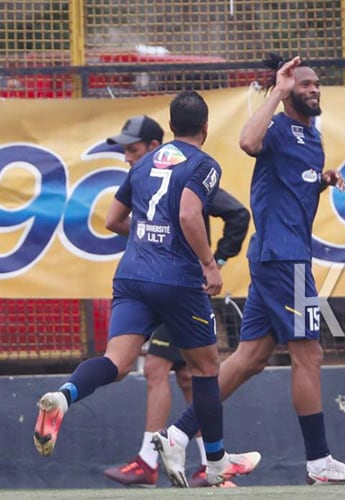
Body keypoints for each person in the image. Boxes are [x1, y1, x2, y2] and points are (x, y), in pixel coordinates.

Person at [150, 54, 345, 486]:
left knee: (249, 359)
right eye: (303, 84)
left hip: (282, 257)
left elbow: (292, 189)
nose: (312, 89)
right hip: (283, 258)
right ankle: (319, 462)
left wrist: (322, 180)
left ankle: (177, 434)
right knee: (310, 354)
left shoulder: (313, 137)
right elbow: (248, 143)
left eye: (314, 84)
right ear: (287, 90)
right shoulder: (274, 126)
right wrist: (277, 93)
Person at [33, 91, 261, 488]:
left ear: (170, 128)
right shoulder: (204, 164)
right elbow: (190, 212)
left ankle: (65, 396)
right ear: (206, 128)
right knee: (207, 368)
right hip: (177, 281)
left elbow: (113, 218)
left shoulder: (143, 165)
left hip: (132, 276)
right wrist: (209, 262)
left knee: (116, 362)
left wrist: (146, 235)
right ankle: (218, 462)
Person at [101, 115, 251, 488]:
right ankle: (210, 465)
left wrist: (214, 261)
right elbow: (117, 221)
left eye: (133, 150)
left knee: (161, 369)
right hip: (162, 280)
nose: (127, 159)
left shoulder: (185, 176)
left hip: (181, 285)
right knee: (187, 375)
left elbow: (237, 213)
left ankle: (150, 460)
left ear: (156, 147)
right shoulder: (148, 177)